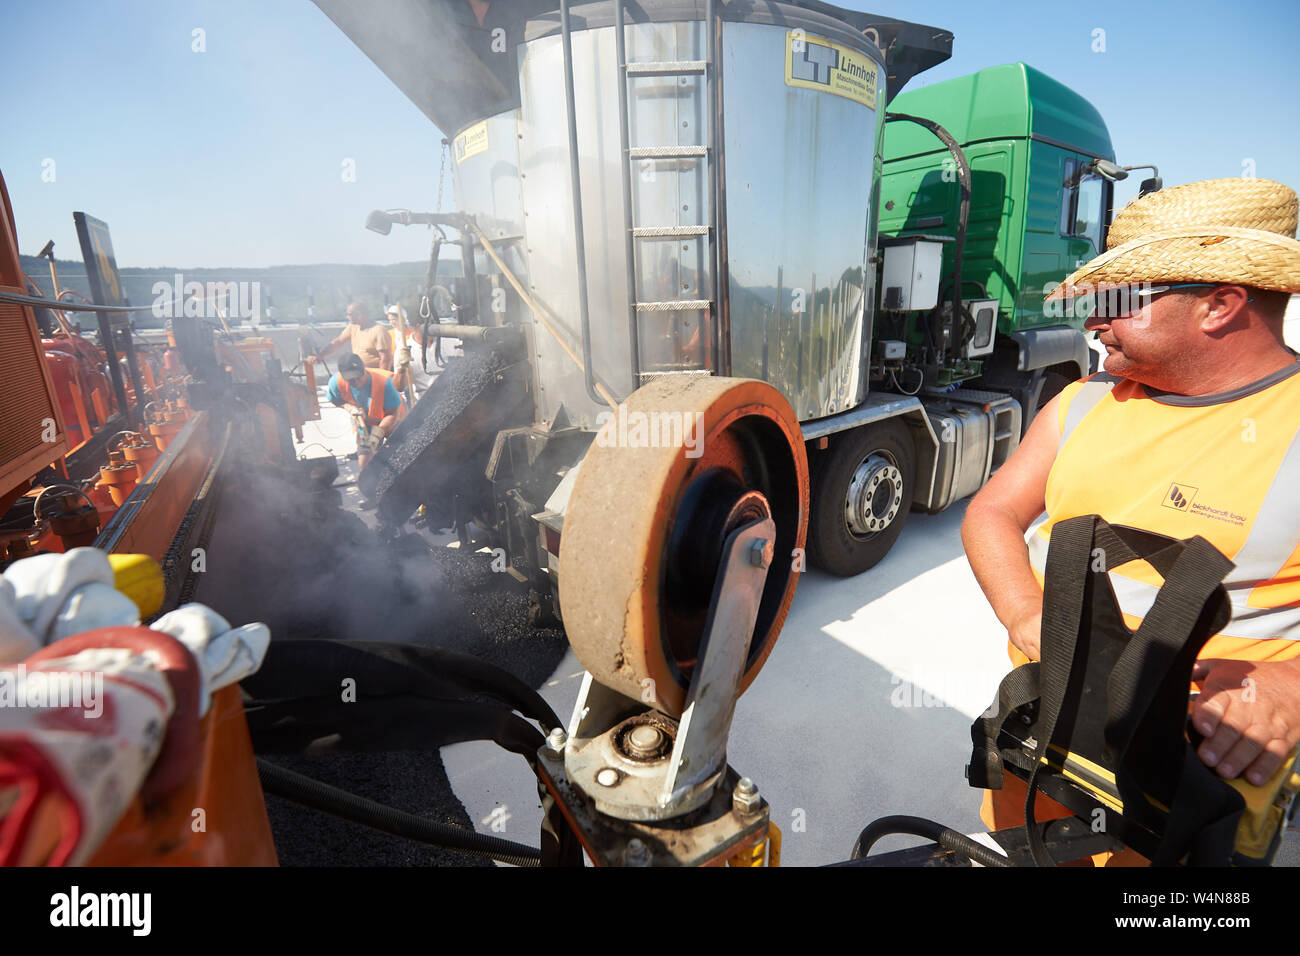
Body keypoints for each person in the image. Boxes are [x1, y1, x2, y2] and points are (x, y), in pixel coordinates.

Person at [960, 177, 1300, 852]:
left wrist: (1291, 686)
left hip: (1197, 795)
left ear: (1221, 305)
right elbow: (993, 511)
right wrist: (1028, 615)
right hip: (1050, 748)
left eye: (1118, 300)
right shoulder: (1086, 399)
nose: (1093, 321)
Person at [327, 352, 402, 473]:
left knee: (400, 458)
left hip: (394, 420)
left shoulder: (384, 383)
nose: (356, 382)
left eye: (358, 377)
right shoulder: (336, 383)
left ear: (364, 370)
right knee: (365, 465)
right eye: (351, 380)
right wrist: (348, 407)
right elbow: (335, 400)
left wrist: (378, 433)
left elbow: (393, 413)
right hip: (366, 422)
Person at [308, 301, 392, 371]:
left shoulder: (379, 330)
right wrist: (321, 355)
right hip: (359, 374)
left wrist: (381, 381)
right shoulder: (353, 327)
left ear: (359, 314)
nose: (347, 317)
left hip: (374, 376)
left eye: (349, 314)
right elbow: (338, 342)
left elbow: (385, 359)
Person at [387, 303, 436, 401]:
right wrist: (401, 368)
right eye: (431, 324)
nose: (435, 327)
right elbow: (398, 387)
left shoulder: (450, 341)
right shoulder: (403, 349)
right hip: (424, 402)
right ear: (418, 326)